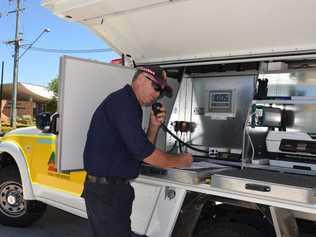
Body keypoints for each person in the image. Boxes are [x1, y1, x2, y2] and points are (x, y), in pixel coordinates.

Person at [83, 65, 193, 237]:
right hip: (106, 193)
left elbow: (139, 152)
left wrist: (154, 126)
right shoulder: (123, 103)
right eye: (156, 87)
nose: (157, 94)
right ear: (141, 79)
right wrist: (182, 161)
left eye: (161, 90)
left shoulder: (131, 105)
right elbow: (145, 153)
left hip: (113, 192)